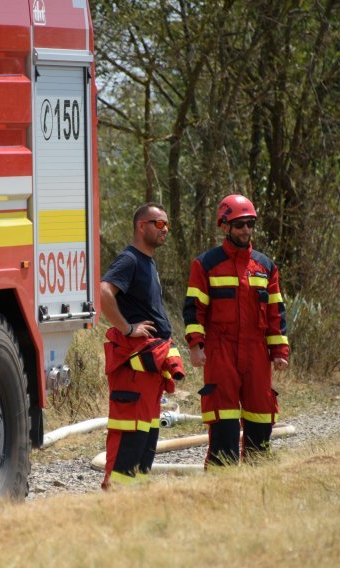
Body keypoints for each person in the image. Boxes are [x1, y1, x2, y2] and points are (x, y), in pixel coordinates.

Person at [183, 194, 289, 467]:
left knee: (261, 418)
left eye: (250, 224)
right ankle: (221, 483)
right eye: (239, 224)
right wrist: (196, 345)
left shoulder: (265, 266)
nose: (246, 230)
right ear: (225, 226)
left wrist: (279, 351)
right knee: (224, 421)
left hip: (256, 354)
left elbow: (276, 312)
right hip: (221, 352)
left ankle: (257, 479)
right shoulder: (206, 264)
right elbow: (195, 308)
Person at [100, 202, 185, 489]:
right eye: (159, 224)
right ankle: (117, 497)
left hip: (149, 369)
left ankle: (135, 498)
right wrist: (127, 328)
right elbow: (103, 292)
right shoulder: (130, 260)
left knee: (146, 436)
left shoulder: (147, 261)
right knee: (130, 435)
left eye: (167, 225)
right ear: (141, 226)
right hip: (134, 370)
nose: (165, 230)